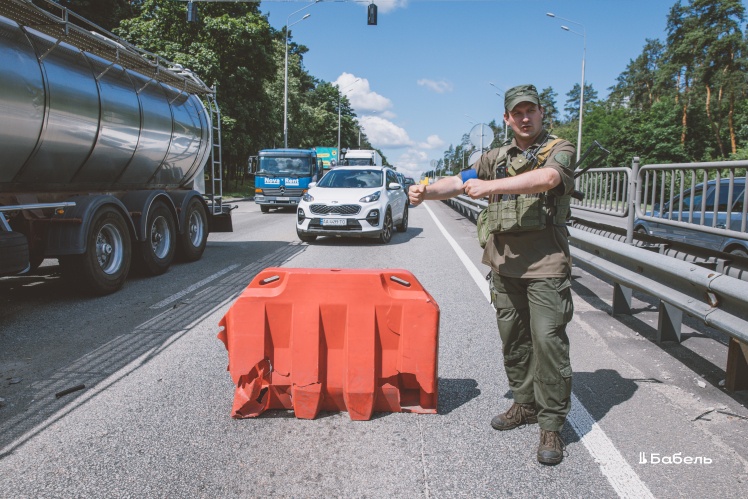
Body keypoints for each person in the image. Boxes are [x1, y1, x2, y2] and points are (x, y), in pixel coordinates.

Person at [408, 84, 576, 465]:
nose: (524, 117)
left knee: (548, 343)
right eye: (517, 112)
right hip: (503, 262)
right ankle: (524, 405)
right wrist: (426, 191)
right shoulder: (496, 157)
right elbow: (459, 180)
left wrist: (491, 186)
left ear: (541, 112)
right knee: (514, 340)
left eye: (530, 110)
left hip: (546, 264)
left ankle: (551, 425)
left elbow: (548, 180)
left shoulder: (559, 148)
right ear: (506, 118)